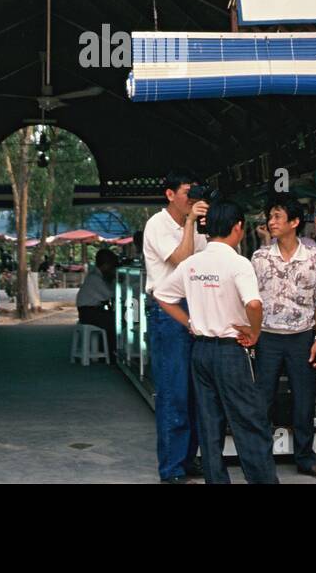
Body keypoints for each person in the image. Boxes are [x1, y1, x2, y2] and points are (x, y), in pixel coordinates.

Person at [155, 199, 277, 485]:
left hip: (201, 351)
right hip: (231, 351)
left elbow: (162, 295)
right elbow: (255, 303)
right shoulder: (238, 263)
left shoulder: (193, 263)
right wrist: (255, 332)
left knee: (209, 426)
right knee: (249, 423)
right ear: (238, 228)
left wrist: (189, 323)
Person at [251, 194, 316, 478]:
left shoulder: (313, 258)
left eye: (277, 217)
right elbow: (251, 300)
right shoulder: (260, 257)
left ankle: (306, 458)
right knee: (263, 399)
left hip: (302, 337)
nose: (271, 222)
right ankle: (261, 458)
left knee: (304, 398)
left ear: (294, 222)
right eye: (270, 216)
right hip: (267, 337)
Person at [142, 170, 208, 483]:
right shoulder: (158, 224)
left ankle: (187, 457)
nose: (192, 197)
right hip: (167, 312)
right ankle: (171, 467)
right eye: (186, 191)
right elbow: (181, 259)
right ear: (170, 194)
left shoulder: (196, 225)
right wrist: (191, 224)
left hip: (195, 306)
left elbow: (208, 261)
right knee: (173, 391)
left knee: (196, 390)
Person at [76, 248, 118, 354]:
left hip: (88, 312)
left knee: (112, 319)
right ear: (106, 265)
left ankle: (105, 351)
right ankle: (111, 352)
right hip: (89, 313)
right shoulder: (95, 278)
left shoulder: (95, 276)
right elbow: (109, 294)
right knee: (116, 322)